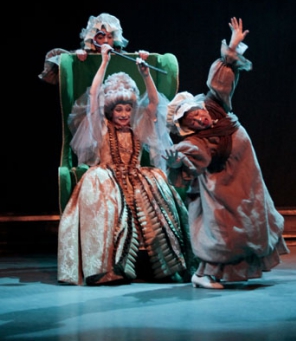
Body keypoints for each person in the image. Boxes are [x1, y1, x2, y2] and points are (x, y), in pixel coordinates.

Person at [164, 17, 289, 290]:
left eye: (196, 113)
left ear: (198, 106)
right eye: (192, 121)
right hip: (223, 189)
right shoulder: (197, 140)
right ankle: (203, 274)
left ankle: (233, 271)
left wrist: (232, 49)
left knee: (253, 225)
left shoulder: (215, 105)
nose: (199, 119)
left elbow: (222, 81)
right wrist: (176, 162)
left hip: (247, 181)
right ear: (187, 127)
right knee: (228, 234)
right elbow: (189, 158)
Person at [57, 43, 195, 286]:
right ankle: (109, 268)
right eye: (118, 109)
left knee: (158, 196)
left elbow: (153, 104)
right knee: (106, 200)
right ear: (110, 111)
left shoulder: (138, 127)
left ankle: (162, 267)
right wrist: (104, 62)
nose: (123, 114)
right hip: (107, 177)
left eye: (128, 109)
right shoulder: (101, 127)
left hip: (137, 176)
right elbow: (94, 96)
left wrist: (146, 75)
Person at [38, 13, 130, 85]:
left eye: (109, 37)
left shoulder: (123, 57)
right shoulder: (84, 54)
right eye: (100, 37)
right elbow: (55, 66)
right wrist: (74, 58)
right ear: (93, 39)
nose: (106, 41)